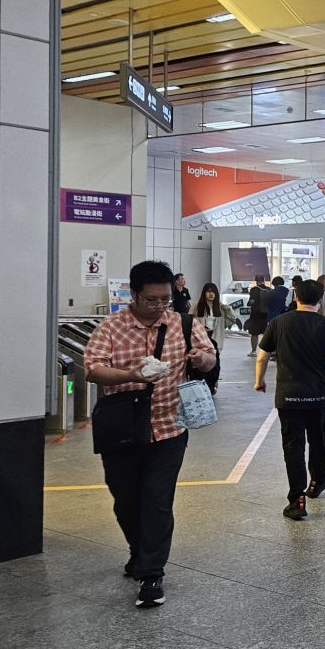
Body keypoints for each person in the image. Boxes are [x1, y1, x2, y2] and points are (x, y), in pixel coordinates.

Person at [84, 260, 217, 608]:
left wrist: (202, 361)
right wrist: (134, 375)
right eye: (152, 300)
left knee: (157, 500)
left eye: (166, 299)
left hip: (170, 427)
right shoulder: (110, 328)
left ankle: (152, 573)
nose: (160, 306)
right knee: (125, 499)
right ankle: (138, 551)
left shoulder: (183, 323)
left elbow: (208, 357)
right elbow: (93, 369)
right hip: (122, 429)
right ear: (134, 294)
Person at [254, 279, 325, 521]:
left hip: (288, 395)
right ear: (321, 300)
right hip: (318, 395)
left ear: (295, 297)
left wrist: (259, 381)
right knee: (318, 437)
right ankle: (317, 479)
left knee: (293, 446)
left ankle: (297, 500)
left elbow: (262, 357)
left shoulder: (279, 322)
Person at [191, 283, 237, 394]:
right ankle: (201, 384)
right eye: (208, 291)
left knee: (215, 363)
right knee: (201, 362)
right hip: (201, 338)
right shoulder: (197, 306)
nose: (211, 294)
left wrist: (227, 308)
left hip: (216, 338)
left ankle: (212, 384)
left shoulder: (220, 308)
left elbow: (232, 320)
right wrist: (200, 329)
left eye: (213, 292)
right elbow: (189, 320)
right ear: (204, 293)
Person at [245, 275, 269, 358]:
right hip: (266, 315)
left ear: (256, 281)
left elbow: (251, 301)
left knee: (254, 333)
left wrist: (250, 303)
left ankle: (254, 351)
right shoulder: (269, 289)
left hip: (255, 314)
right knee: (266, 334)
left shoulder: (254, 289)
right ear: (264, 280)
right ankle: (266, 351)